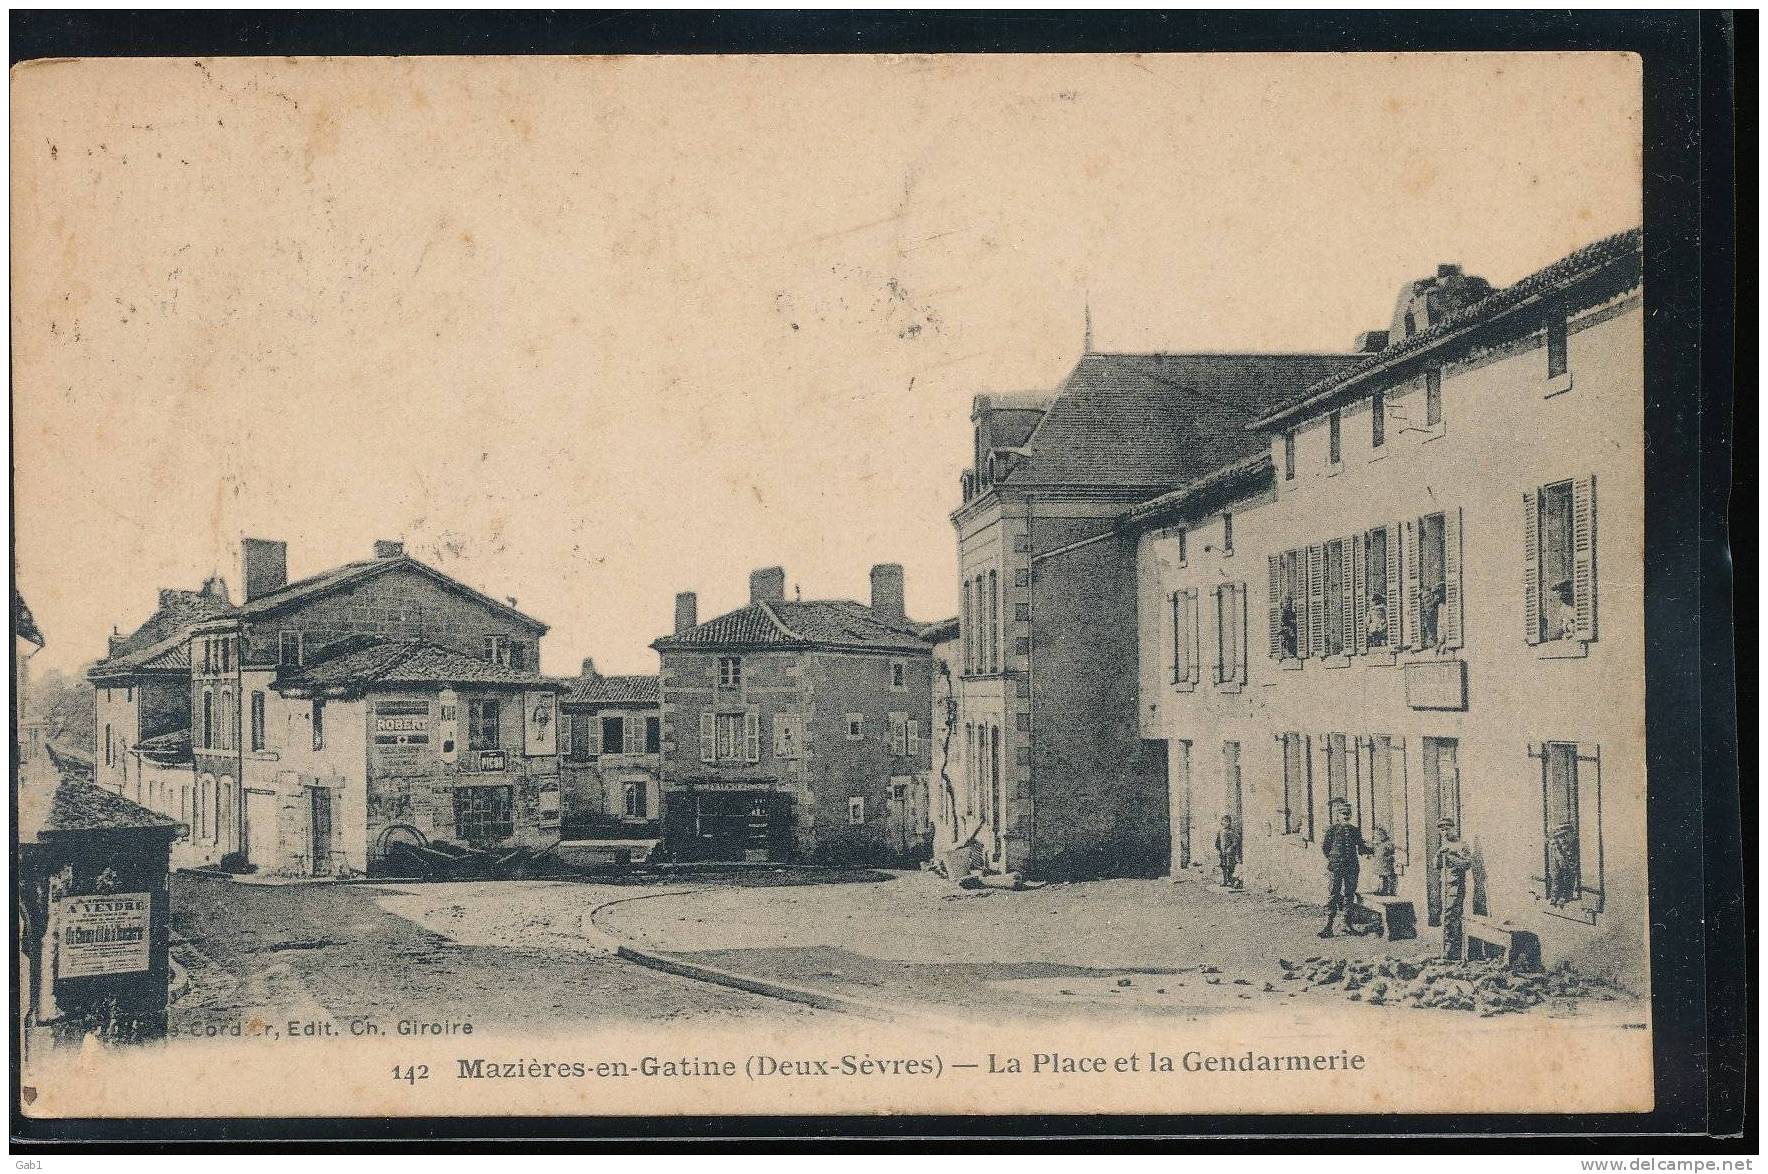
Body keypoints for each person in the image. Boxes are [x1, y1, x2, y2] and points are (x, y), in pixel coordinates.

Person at [1318, 799, 1371, 938]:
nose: (1346, 815)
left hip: (1352, 866)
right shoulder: (1332, 830)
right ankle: (1328, 926)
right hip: (1336, 867)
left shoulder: (1355, 830)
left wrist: (1372, 849)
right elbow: (1325, 848)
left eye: (1348, 813)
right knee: (1334, 894)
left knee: (1349, 894)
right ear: (1337, 815)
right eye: (1343, 813)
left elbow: (1361, 847)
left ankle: (1347, 924)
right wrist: (1334, 859)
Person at [1436, 817, 1473, 960]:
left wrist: (1451, 857)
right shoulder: (1443, 846)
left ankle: (1453, 951)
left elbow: (1467, 864)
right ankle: (1446, 949)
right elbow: (1436, 865)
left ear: (1453, 828)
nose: (1445, 832)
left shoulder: (1461, 845)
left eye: (1447, 829)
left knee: (1451, 917)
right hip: (1444, 886)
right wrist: (1440, 855)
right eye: (1442, 830)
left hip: (1456, 886)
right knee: (1445, 917)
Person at [1547, 821, 1579, 906]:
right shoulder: (1557, 849)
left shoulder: (1577, 848)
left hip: (1574, 886)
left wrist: (1566, 896)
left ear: (1572, 834)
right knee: (1558, 874)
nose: (1563, 839)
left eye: (1566, 835)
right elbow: (1557, 875)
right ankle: (1556, 896)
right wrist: (1554, 895)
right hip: (1561, 872)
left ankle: (1565, 895)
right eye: (1560, 837)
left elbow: (1571, 873)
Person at [1214, 814, 1242, 890]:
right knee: (1223, 866)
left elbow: (1236, 841)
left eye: (1227, 821)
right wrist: (1218, 848)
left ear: (1230, 822)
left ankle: (1231, 881)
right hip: (1222, 853)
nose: (1225, 823)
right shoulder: (1220, 831)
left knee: (1230, 866)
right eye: (1223, 821)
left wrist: (1230, 848)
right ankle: (1225, 880)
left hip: (1230, 853)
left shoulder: (1231, 832)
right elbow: (1217, 841)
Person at [1370, 825, 1397, 896]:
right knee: (1381, 877)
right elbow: (1374, 850)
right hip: (1380, 863)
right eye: (1376, 835)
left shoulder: (1388, 843)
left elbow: (1392, 851)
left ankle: (1389, 890)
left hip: (1386, 863)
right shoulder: (1378, 843)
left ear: (1383, 834)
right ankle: (1380, 889)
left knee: (1387, 877)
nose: (1377, 836)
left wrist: (1390, 857)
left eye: (1379, 834)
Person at [1279, 593, 1300, 659]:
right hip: (1287, 632)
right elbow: (1284, 622)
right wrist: (1294, 622)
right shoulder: (1283, 612)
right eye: (1286, 602)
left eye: (1290, 602)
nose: (1288, 604)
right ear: (1282, 604)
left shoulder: (1291, 612)